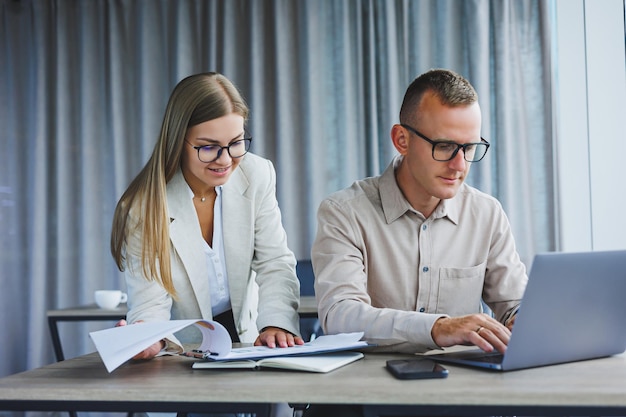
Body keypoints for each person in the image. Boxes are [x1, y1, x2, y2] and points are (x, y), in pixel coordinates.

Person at [307, 68, 528, 416]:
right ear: (402, 140)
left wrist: (523, 322)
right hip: (366, 397)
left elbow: (514, 304)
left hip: (461, 395)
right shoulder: (344, 212)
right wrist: (439, 328)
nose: (459, 164)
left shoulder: (486, 213)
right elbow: (340, 316)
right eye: (444, 147)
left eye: (470, 147)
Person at [110, 72, 304, 360]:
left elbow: (274, 262)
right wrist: (150, 338)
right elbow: (150, 303)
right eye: (209, 147)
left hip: (250, 341)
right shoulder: (142, 207)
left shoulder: (257, 175)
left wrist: (276, 323)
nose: (225, 160)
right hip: (184, 353)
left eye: (236, 143)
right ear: (178, 141)